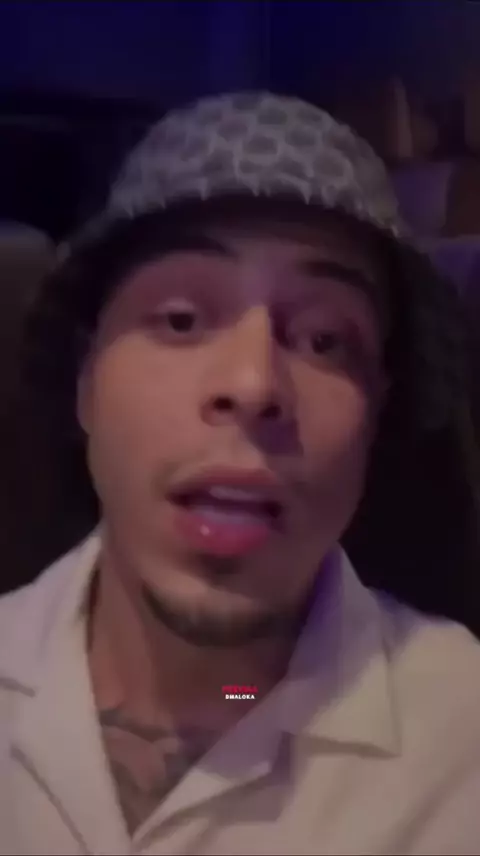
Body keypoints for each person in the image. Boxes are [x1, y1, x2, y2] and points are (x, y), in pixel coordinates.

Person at [1, 92, 480, 855]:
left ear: (376, 419)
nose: (255, 384)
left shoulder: (461, 742)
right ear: (87, 382)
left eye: (324, 340)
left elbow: (239, 696)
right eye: (182, 318)